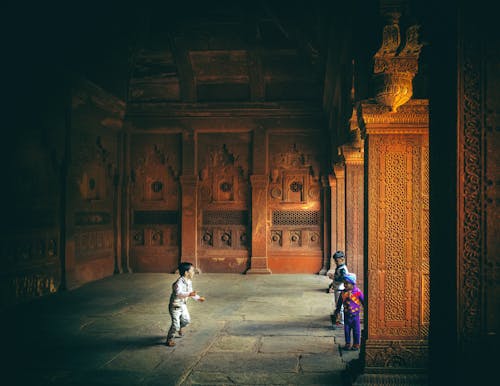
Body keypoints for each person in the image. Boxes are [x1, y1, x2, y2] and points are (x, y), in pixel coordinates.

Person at [166, 262, 205, 347]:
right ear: (186, 273)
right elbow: (179, 294)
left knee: (186, 321)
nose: (194, 272)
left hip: (183, 305)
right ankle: (170, 338)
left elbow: (191, 292)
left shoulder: (189, 281)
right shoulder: (178, 283)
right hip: (175, 306)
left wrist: (198, 298)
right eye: (192, 270)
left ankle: (180, 327)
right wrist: (190, 294)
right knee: (175, 325)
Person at [333, 273, 364, 351]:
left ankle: (356, 344)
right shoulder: (343, 293)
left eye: (347, 283)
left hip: (355, 316)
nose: (345, 285)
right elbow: (339, 303)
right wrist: (337, 311)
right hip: (346, 315)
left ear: (352, 283)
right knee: (347, 330)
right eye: (344, 283)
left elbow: (363, 301)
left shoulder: (357, 292)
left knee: (356, 330)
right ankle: (347, 344)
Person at [327, 250, 349, 325]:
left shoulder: (343, 269)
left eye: (337, 261)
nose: (336, 262)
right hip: (337, 288)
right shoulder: (339, 267)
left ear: (342, 259)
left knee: (341, 306)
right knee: (339, 305)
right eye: (335, 261)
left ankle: (342, 321)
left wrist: (334, 278)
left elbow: (343, 279)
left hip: (340, 289)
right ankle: (340, 319)